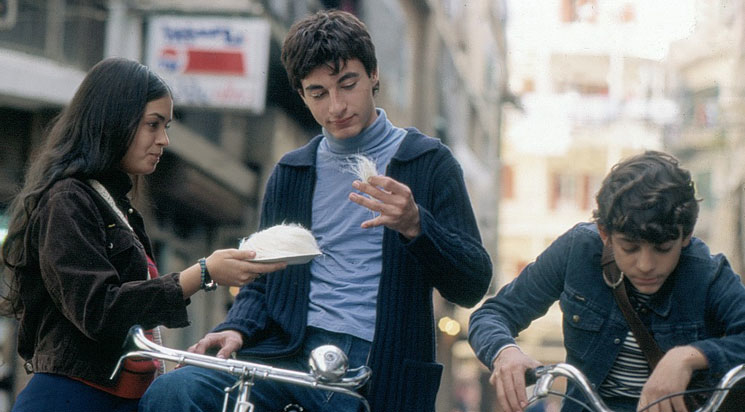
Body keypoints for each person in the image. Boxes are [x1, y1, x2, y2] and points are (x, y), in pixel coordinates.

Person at [139, 9, 492, 412]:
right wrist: (237, 327)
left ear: (373, 74)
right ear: (302, 94)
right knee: (172, 393)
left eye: (348, 84)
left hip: (377, 364)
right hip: (286, 352)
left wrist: (416, 225)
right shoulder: (293, 171)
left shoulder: (428, 162)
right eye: (318, 93)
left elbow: (472, 284)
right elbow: (261, 276)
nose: (336, 106)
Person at [0, 57, 287, 412]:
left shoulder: (116, 206)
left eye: (166, 126)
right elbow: (99, 311)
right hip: (71, 397)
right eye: (153, 124)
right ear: (113, 121)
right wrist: (202, 273)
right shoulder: (67, 199)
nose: (163, 140)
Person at [468, 151, 745, 412]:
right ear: (605, 234)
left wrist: (688, 357)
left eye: (662, 249)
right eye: (629, 248)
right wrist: (504, 352)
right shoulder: (577, 250)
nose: (646, 264)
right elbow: (493, 314)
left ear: (686, 236)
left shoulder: (708, 273)